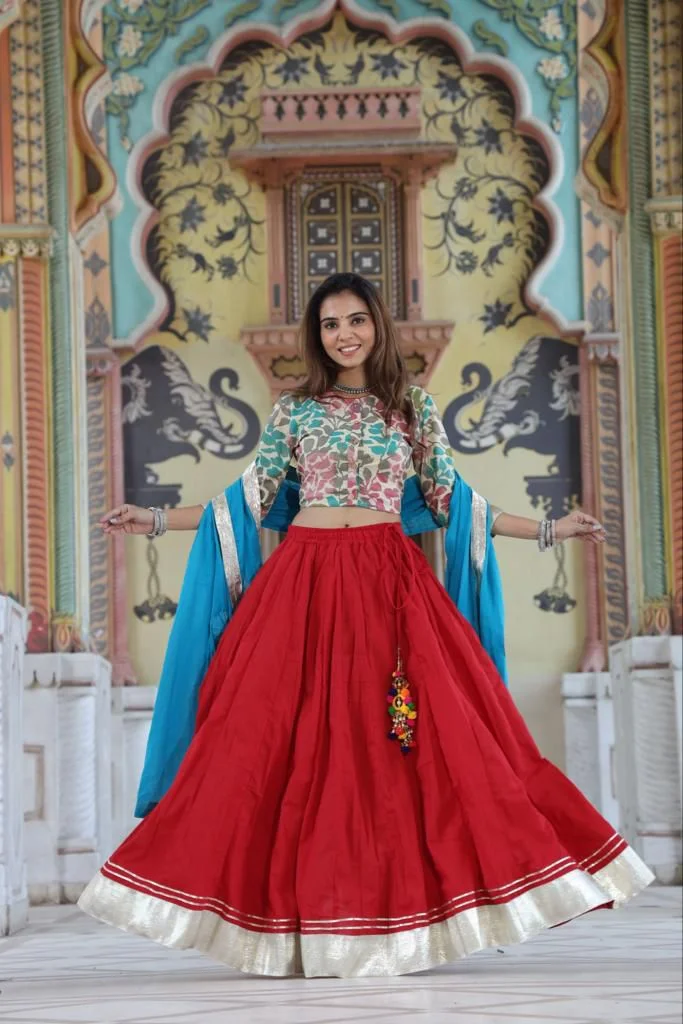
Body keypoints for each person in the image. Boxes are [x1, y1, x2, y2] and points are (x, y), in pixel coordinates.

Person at [79, 272, 652, 979]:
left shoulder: (412, 409)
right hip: (303, 583)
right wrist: (158, 519)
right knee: (261, 741)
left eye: (354, 320)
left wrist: (547, 528)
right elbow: (249, 499)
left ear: (377, 326)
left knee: (416, 743)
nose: (342, 334)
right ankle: (284, 921)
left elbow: (452, 501)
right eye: (328, 324)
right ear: (315, 336)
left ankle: (401, 918)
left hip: (389, 586)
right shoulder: (293, 413)